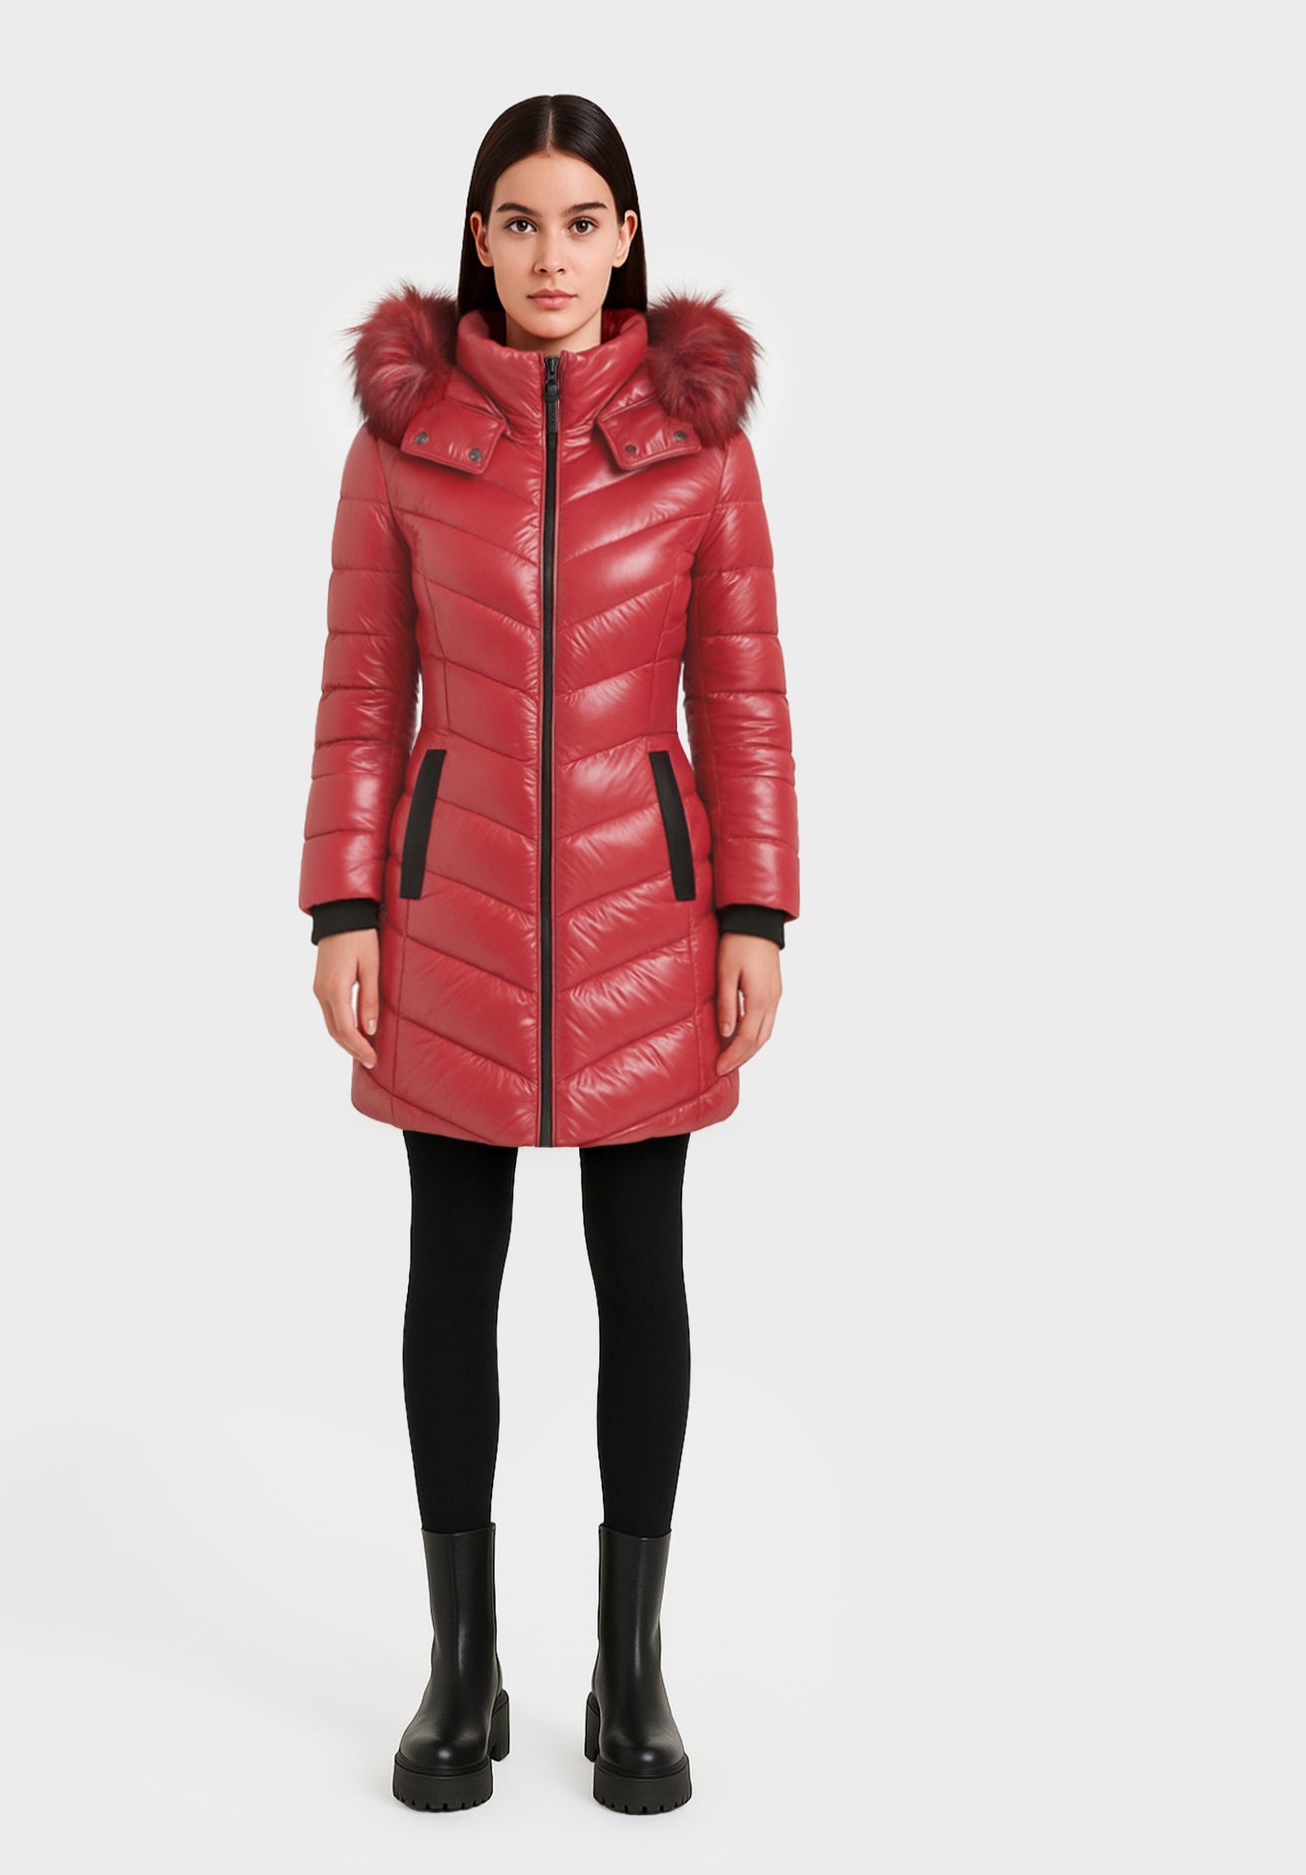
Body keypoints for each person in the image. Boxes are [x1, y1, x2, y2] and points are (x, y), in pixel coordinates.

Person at [296, 94, 799, 1814]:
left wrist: (754, 912)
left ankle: (629, 1669)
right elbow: (363, 693)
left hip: (649, 919)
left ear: (626, 239)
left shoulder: (699, 448)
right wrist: (343, 908)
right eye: (520, 222)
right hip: (446, 915)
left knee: (641, 1272)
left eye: (584, 222)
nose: (553, 255)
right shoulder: (403, 445)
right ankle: (463, 1666)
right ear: (480, 240)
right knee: (452, 1268)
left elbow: (744, 697)